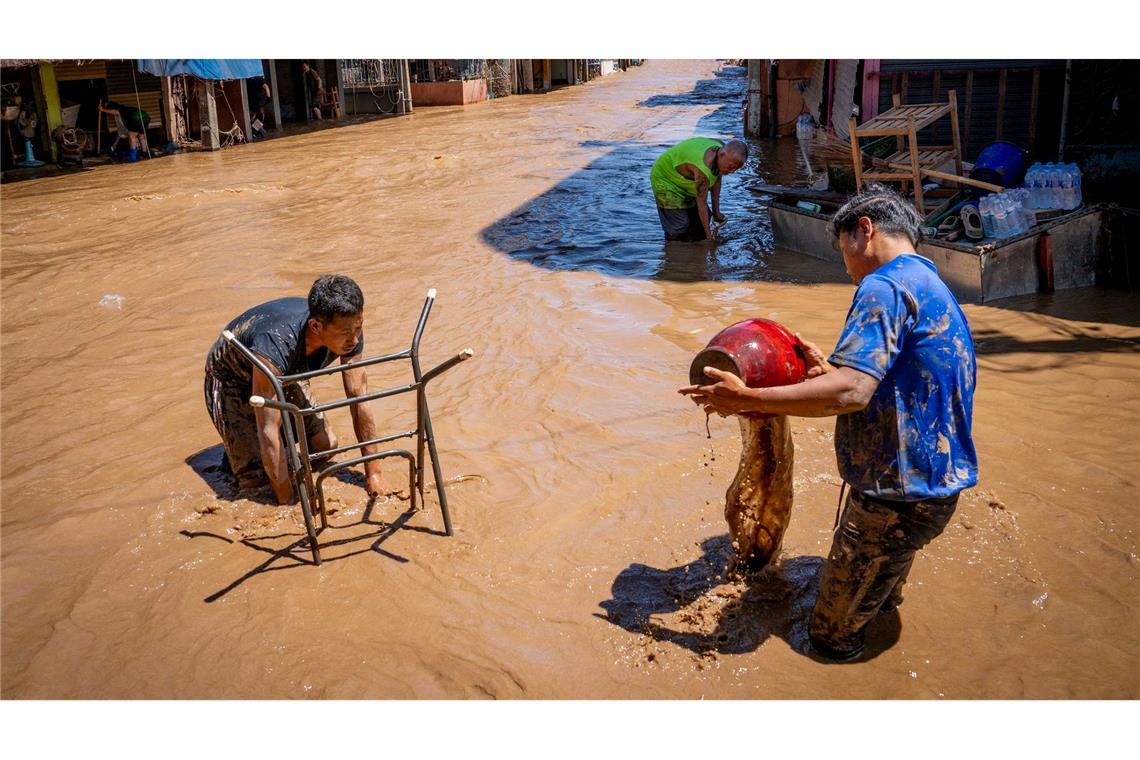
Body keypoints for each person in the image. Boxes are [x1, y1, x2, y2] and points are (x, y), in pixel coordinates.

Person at [680, 185, 978, 662]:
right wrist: (831, 370)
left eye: (843, 252)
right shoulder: (928, 283)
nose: (846, 267)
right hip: (934, 485)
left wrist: (748, 398)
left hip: (894, 499)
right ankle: (877, 623)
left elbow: (850, 393)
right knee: (878, 596)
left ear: (866, 229)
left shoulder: (882, 285)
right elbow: (890, 378)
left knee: (828, 639)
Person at [204, 275, 401, 505]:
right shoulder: (277, 342)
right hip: (231, 378)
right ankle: (243, 457)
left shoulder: (350, 328)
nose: (355, 339)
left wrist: (374, 474)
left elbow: (359, 397)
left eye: (359, 327)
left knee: (324, 446)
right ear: (316, 326)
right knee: (255, 481)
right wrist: (289, 502)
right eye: (346, 333)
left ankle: (266, 454)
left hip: (286, 370)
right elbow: (267, 426)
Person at [650, 137, 748, 241]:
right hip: (665, 179)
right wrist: (709, 237)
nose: (732, 171)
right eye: (731, 166)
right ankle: (673, 249)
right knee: (679, 227)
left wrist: (716, 212)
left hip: (686, 178)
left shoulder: (720, 148)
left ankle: (695, 243)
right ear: (722, 155)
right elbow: (702, 204)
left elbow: (716, 178)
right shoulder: (702, 171)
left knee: (700, 222)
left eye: (736, 168)